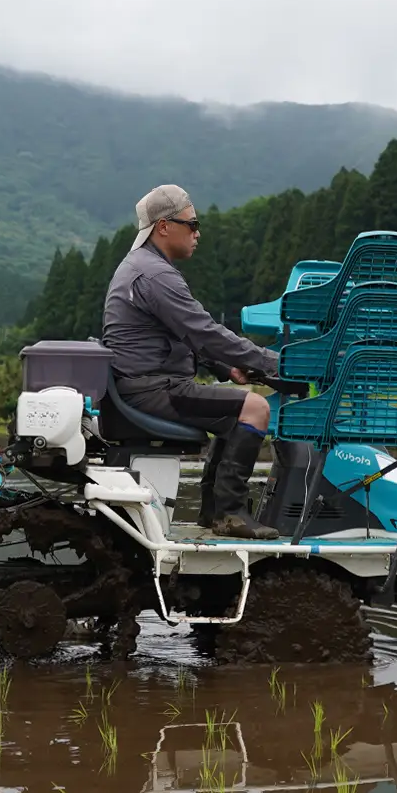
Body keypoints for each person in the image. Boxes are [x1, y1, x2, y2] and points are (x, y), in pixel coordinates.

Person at [103, 184, 281, 539]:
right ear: (163, 226)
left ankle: (213, 512)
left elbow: (186, 337)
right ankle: (229, 513)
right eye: (192, 224)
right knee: (256, 408)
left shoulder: (143, 266)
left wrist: (226, 368)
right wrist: (276, 364)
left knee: (233, 414)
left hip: (143, 384)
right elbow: (206, 333)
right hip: (153, 388)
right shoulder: (155, 275)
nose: (197, 233)